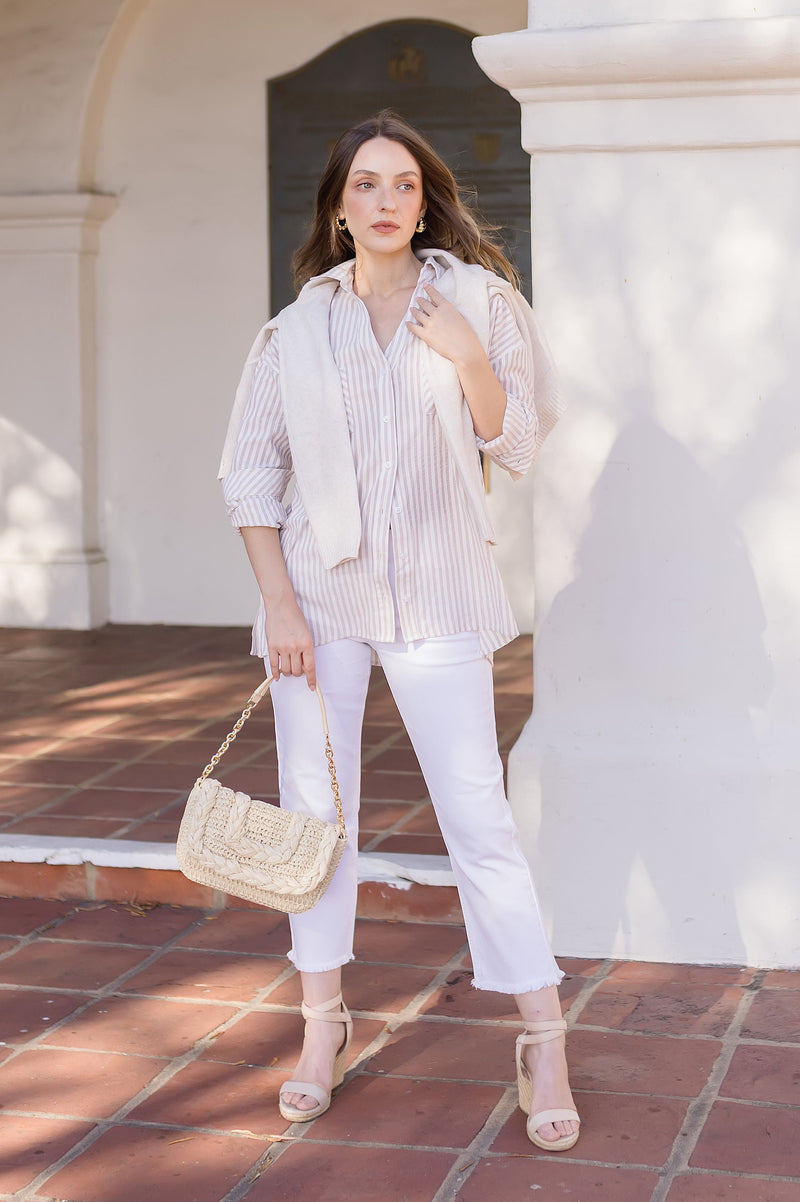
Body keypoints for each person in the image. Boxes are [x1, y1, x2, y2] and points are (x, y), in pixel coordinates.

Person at [219, 110, 579, 1152]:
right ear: (338, 206)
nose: (384, 202)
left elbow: (514, 439)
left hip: (436, 597)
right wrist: (278, 604)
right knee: (313, 818)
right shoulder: (294, 328)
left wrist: (466, 356)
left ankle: (541, 1034)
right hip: (316, 605)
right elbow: (250, 472)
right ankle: (320, 1024)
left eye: (404, 186)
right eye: (365, 184)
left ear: (426, 202)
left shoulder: (476, 300)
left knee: (478, 820)